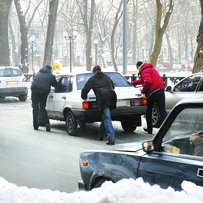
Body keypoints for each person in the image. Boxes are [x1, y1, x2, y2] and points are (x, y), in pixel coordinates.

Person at [81, 66, 117, 145]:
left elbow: (85, 89)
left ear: (94, 72)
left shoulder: (93, 79)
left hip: (103, 99)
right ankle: (102, 134)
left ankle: (111, 138)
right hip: (112, 97)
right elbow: (113, 87)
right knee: (105, 117)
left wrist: (84, 96)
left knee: (107, 118)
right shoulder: (107, 77)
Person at [132, 61, 167, 134]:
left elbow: (147, 82)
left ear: (139, 67)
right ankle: (167, 128)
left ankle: (149, 129)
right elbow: (143, 80)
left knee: (148, 110)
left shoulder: (144, 71)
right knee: (162, 111)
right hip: (160, 90)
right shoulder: (150, 69)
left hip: (153, 93)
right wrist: (134, 83)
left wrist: (143, 90)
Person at [31, 65, 58, 131]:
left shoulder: (38, 73)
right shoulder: (50, 75)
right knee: (42, 108)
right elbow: (56, 85)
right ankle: (47, 124)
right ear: (50, 69)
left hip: (34, 91)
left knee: (35, 108)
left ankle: (35, 125)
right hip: (43, 92)